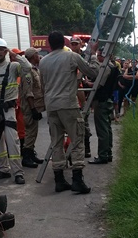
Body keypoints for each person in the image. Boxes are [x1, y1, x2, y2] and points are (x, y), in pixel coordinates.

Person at [38, 31, 99, 194]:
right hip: (68, 104)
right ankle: (77, 179)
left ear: (50, 44)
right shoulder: (71, 57)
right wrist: (93, 55)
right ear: (64, 43)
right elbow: (92, 72)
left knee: (56, 141)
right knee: (78, 138)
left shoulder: (43, 62)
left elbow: (43, 85)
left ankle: (59, 180)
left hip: (51, 105)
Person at [0, 38, 31, 184]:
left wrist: (16, 56)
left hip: (8, 110)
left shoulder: (14, 67)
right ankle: (3, 169)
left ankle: (18, 172)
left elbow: (28, 68)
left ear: (5, 51)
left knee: (12, 141)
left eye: (1, 49)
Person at [85, 49, 119, 164]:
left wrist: (88, 83)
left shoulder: (106, 68)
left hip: (102, 100)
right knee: (107, 127)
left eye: (99, 55)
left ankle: (103, 155)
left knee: (102, 129)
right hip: (107, 99)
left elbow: (99, 84)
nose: (98, 57)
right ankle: (108, 153)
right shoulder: (112, 66)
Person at [19, 47, 45, 167]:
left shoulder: (35, 69)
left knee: (34, 132)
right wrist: (33, 109)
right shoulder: (27, 71)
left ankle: (31, 154)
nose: (39, 56)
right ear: (32, 56)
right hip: (30, 107)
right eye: (37, 54)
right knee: (30, 132)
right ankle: (26, 157)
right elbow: (28, 92)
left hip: (35, 106)